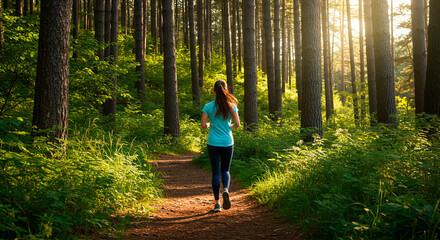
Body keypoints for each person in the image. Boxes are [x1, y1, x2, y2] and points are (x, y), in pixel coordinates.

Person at [201, 80, 240, 212]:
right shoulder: (231, 106)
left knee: (215, 172)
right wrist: (229, 127)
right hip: (227, 142)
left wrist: (208, 125)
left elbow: (203, 124)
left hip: (212, 142)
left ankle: (217, 204)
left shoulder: (208, 106)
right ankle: (226, 190)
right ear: (226, 90)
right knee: (225, 170)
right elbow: (238, 124)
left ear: (214, 91)